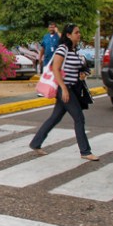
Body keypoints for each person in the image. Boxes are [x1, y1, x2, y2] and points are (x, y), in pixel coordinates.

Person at [29, 23, 98, 160]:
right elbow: (56, 69)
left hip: (72, 87)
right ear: (68, 35)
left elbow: (78, 68)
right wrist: (64, 89)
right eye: (76, 32)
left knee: (55, 117)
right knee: (79, 118)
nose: (79, 34)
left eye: (79, 32)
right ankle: (85, 151)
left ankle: (36, 143)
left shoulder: (74, 50)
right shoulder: (63, 49)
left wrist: (83, 73)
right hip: (64, 88)